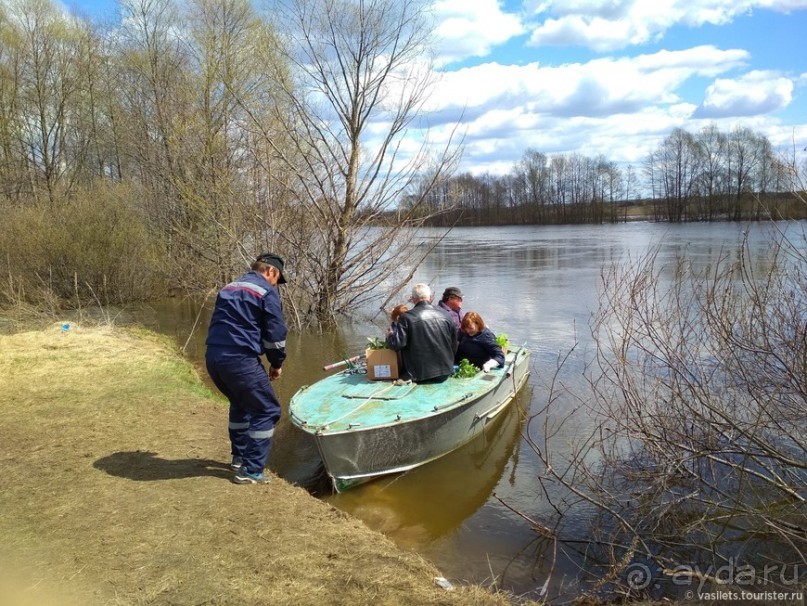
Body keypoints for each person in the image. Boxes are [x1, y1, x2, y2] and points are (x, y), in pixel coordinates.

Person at [205, 252, 289, 485]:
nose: (276, 284)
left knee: (240, 404)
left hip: (213, 357)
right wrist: (277, 363)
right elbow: (275, 335)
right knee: (267, 411)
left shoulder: (229, 287)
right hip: (239, 359)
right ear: (271, 271)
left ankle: (239, 458)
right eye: (277, 279)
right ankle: (251, 471)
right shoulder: (265, 290)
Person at [386, 283, 457, 383]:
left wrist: (389, 336)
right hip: (445, 372)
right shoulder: (446, 314)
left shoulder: (407, 317)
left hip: (418, 375)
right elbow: (454, 345)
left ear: (413, 299)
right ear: (430, 297)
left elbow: (396, 345)